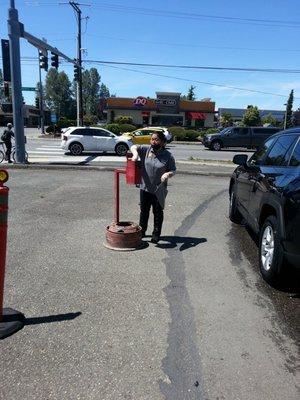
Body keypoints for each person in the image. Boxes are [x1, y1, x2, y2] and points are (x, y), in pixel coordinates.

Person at [130, 131, 176, 244]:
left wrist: (167, 174)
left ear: (163, 142)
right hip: (145, 187)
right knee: (144, 211)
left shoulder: (168, 156)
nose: (153, 141)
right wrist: (135, 154)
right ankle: (142, 231)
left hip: (158, 189)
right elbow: (133, 146)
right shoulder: (146, 150)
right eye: (152, 139)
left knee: (158, 212)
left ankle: (156, 233)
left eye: (156, 139)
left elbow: (173, 170)